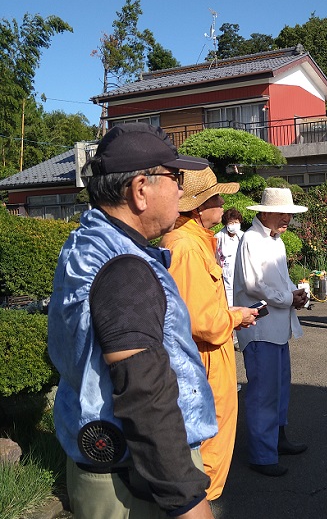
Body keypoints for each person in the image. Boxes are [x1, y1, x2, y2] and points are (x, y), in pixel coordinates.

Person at [47, 123, 218, 519]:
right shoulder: (125, 270)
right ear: (141, 189)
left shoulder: (86, 243)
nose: (181, 190)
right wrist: (187, 499)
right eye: (175, 178)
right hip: (136, 478)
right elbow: (144, 394)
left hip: (108, 463)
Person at [160, 168, 258, 501]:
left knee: (213, 427)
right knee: (210, 431)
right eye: (216, 197)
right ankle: (203, 502)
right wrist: (237, 316)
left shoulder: (194, 240)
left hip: (209, 349)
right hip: (205, 353)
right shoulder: (187, 246)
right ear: (199, 206)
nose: (222, 204)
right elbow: (201, 320)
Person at [233, 188, 309, 477]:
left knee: (278, 389)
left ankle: (278, 440)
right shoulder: (251, 239)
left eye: (288, 213)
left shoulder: (274, 241)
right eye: (282, 213)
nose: (287, 218)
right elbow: (254, 286)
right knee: (263, 393)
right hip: (259, 327)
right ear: (264, 213)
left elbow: (281, 278)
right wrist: (290, 297)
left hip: (276, 327)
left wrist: (295, 293)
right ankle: (262, 455)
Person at [215, 208, 244, 307]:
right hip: (226, 273)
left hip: (240, 270)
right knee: (228, 299)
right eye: (231, 222)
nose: (234, 225)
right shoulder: (218, 238)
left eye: (236, 222)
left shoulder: (243, 236)